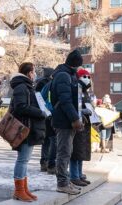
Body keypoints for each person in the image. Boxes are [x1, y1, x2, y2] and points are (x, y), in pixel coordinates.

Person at [10, 63, 46, 202]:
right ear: (29, 73)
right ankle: (19, 190)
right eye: (33, 71)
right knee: (22, 160)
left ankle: (24, 189)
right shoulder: (21, 87)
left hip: (28, 128)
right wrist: (40, 113)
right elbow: (21, 107)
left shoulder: (26, 86)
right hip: (24, 129)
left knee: (24, 160)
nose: (35, 74)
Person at [51, 50, 84, 195]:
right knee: (64, 152)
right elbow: (65, 100)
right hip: (64, 121)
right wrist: (75, 119)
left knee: (67, 151)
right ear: (76, 64)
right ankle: (62, 183)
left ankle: (65, 180)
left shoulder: (67, 74)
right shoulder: (64, 76)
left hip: (66, 120)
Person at [69, 68, 92, 187]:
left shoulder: (85, 91)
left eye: (88, 77)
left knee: (81, 151)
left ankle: (79, 174)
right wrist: (82, 111)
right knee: (76, 152)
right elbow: (73, 105)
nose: (87, 79)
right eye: (84, 76)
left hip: (85, 125)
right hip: (78, 124)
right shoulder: (76, 89)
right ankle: (74, 175)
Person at [35, 67, 56, 174]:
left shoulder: (40, 82)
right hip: (50, 113)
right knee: (52, 139)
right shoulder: (50, 84)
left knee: (46, 140)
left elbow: (39, 97)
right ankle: (49, 163)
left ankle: (44, 162)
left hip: (43, 114)